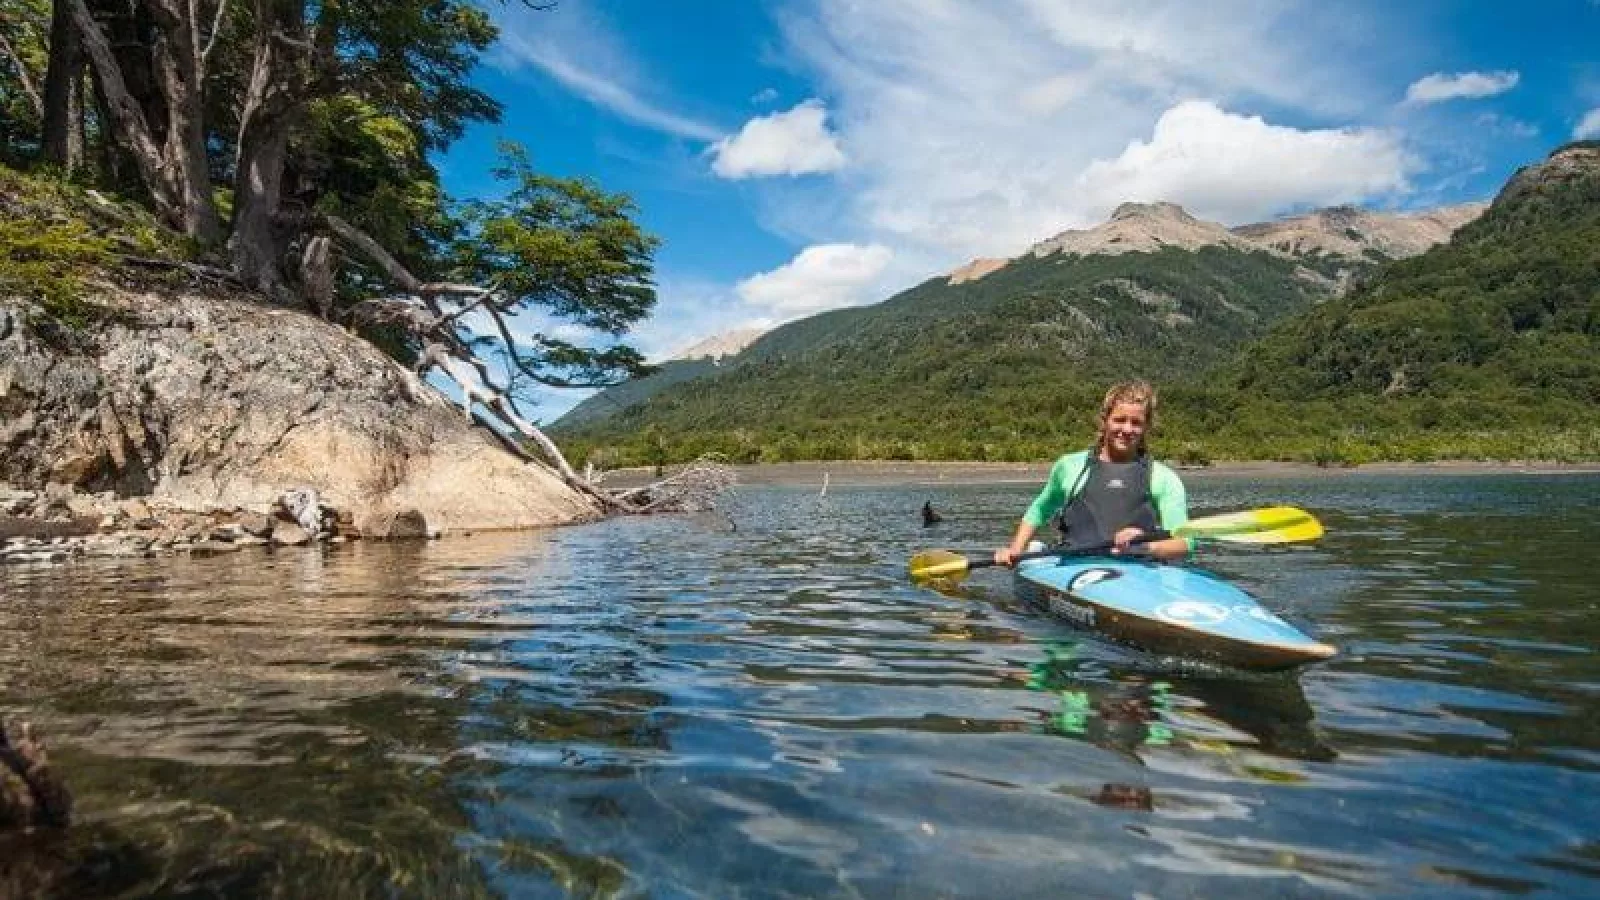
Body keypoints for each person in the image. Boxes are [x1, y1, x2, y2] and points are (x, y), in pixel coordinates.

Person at [994, 379, 1192, 565]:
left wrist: (1147, 546)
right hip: (1074, 567)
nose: (1127, 429)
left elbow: (1185, 544)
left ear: (1146, 426)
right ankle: (1037, 551)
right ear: (1105, 420)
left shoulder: (1163, 478)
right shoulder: (1070, 466)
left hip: (1138, 569)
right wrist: (1015, 550)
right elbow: (1039, 511)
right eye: (1119, 420)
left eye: (1136, 422)